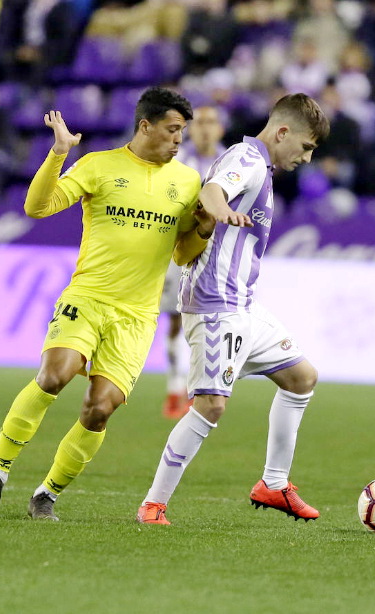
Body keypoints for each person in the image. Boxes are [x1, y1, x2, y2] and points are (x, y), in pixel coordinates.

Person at [0, 87, 219, 521]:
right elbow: (37, 207)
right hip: (87, 297)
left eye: (184, 132)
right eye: (173, 130)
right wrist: (59, 153)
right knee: (54, 375)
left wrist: (205, 229)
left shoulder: (187, 182)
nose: (180, 140)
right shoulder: (99, 165)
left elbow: (181, 253)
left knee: (100, 408)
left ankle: (47, 493)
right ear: (146, 125)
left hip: (137, 316)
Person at [136, 93, 329, 525]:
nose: (307, 158)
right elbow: (213, 190)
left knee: (301, 378)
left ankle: (274, 484)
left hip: (243, 304)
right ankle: (153, 504)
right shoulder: (248, 157)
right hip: (215, 305)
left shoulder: (262, 165)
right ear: (283, 132)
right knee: (211, 405)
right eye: (306, 147)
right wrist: (220, 208)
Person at [161, 104, 226, 419]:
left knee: (213, 321)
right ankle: (175, 387)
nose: (204, 127)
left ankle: (204, 388)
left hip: (217, 253)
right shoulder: (176, 160)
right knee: (175, 321)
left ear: (220, 129)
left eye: (210, 122)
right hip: (182, 248)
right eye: (198, 122)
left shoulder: (231, 162)